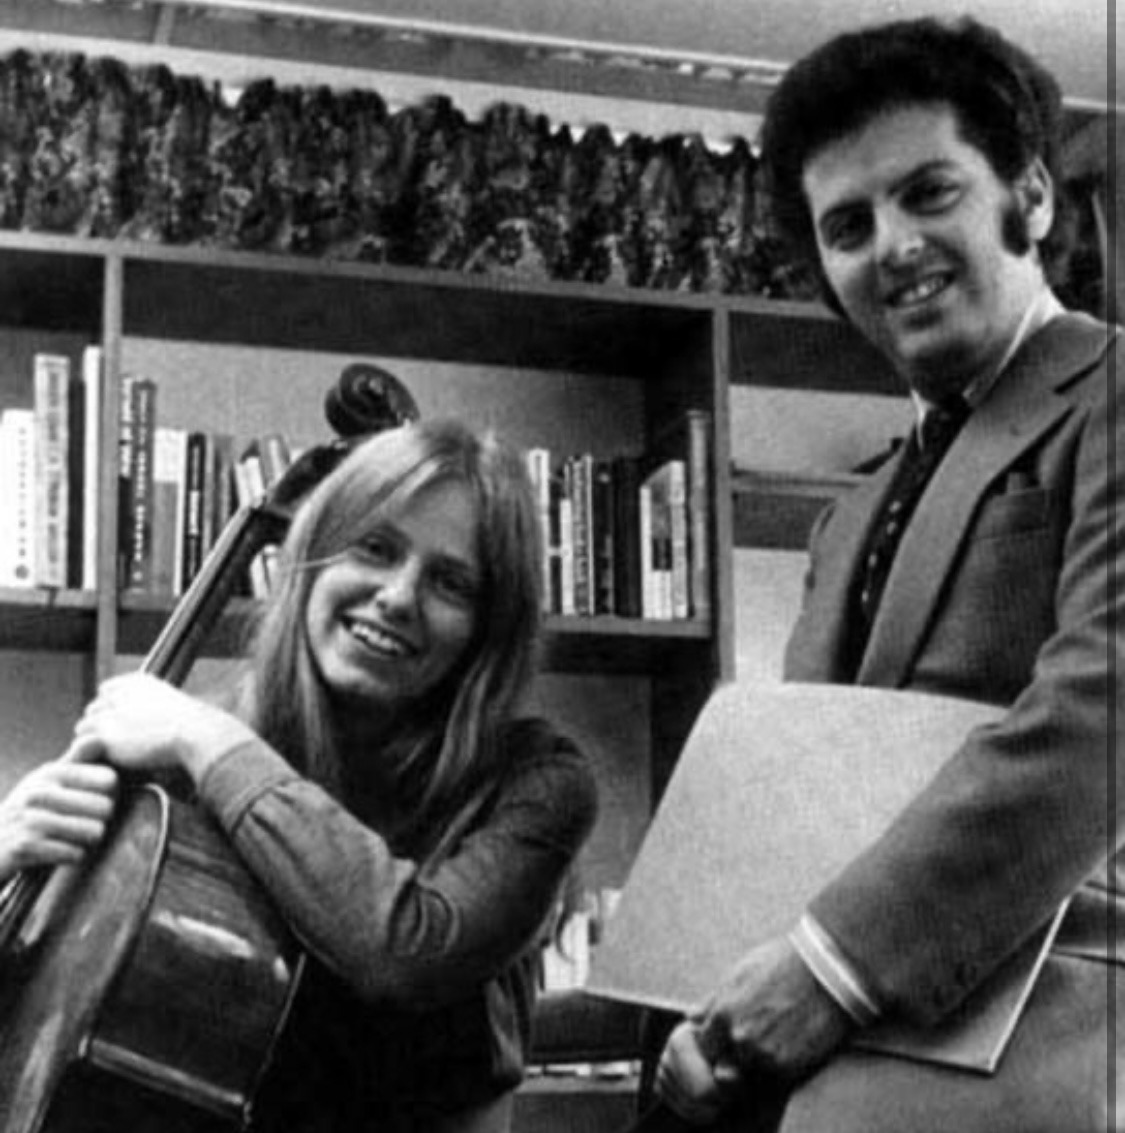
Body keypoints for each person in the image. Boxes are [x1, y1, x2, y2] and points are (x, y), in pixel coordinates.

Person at [655, 15, 1122, 1133]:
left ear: (1032, 196)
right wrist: (712, 1004)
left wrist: (831, 966)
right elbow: (805, 801)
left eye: (929, 193)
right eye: (849, 225)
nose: (894, 246)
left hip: (1063, 1004)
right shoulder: (848, 515)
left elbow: (1105, 707)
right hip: (845, 1030)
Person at [5, 417, 598, 1132]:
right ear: (311, 557)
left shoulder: (537, 781)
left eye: (450, 582)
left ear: (488, 628)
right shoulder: (180, 777)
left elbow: (408, 951)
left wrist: (207, 736)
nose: (398, 596)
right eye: (375, 548)